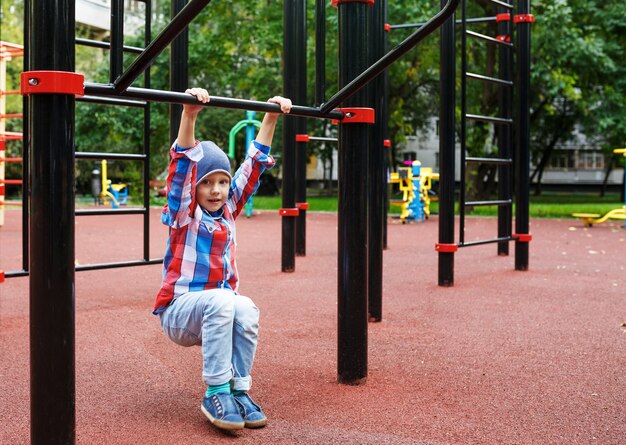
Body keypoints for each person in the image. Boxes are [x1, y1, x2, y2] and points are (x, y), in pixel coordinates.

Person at [153, 87, 292, 431]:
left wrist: (270, 116)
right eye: (207, 183)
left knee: (244, 306)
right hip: (180, 311)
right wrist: (189, 115)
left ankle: (238, 389)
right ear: (194, 188)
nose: (216, 190)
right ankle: (215, 390)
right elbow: (182, 166)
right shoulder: (184, 214)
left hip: (219, 311)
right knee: (223, 300)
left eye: (222, 182)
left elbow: (254, 164)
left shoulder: (228, 209)